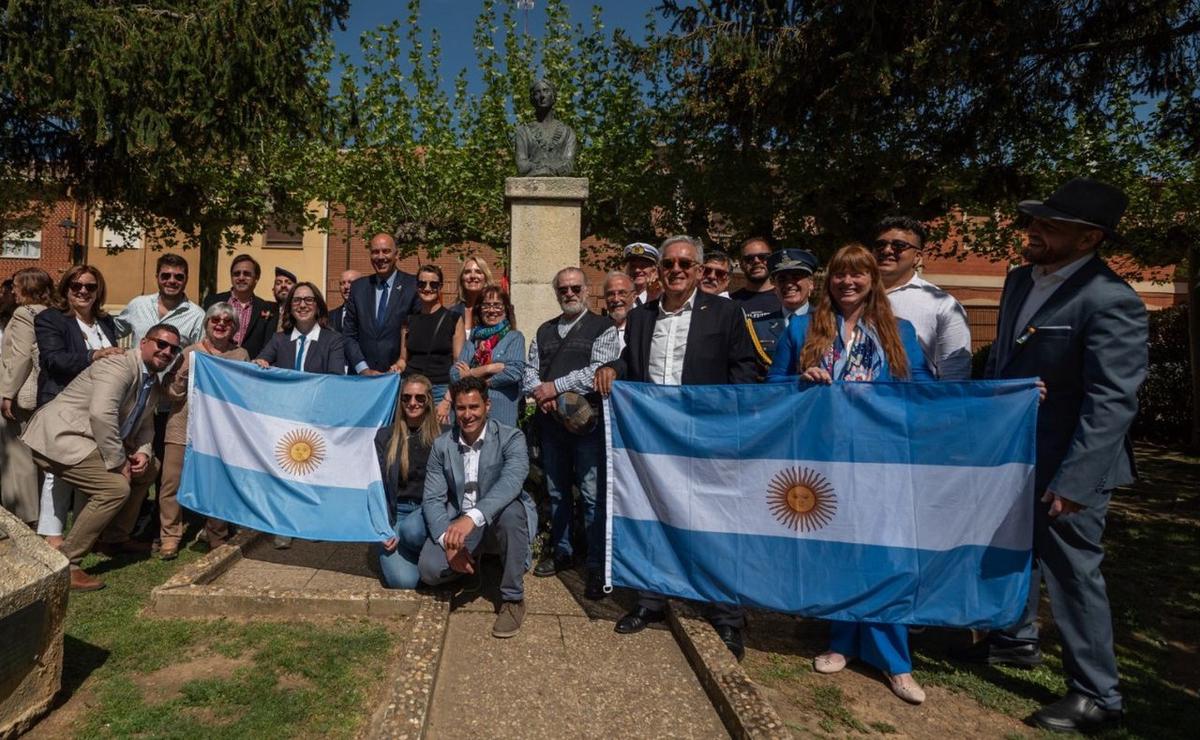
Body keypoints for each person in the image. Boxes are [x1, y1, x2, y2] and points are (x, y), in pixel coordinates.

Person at [953, 178, 1148, 733]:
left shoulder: (1112, 301)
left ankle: (1098, 696)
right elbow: (1001, 368)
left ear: (1088, 238)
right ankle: (1014, 640)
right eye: (1034, 220)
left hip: (1069, 463)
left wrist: (1075, 481)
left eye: (1049, 225)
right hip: (1012, 454)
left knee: (1072, 574)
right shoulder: (1018, 281)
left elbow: (1112, 400)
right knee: (1015, 551)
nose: (1032, 230)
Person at [766, 244, 933, 704]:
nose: (848, 283)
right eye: (840, 275)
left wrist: (1007, 397)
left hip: (883, 462)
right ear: (829, 280)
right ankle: (841, 642)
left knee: (887, 556)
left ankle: (896, 661)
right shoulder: (803, 329)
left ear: (871, 281)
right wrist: (802, 382)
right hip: (827, 461)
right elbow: (773, 388)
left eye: (858, 275)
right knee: (839, 552)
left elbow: (924, 392)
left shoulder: (899, 331)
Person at [595, 235, 758, 660]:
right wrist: (612, 368)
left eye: (686, 263)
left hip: (707, 441)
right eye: (669, 263)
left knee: (715, 524)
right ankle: (651, 600)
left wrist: (727, 428)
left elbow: (744, 373)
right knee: (654, 518)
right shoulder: (643, 316)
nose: (676, 270)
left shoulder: (725, 313)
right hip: (655, 443)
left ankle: (726, 617)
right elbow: (631, 362)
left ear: (701, 270)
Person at [22, 323, 180, 590]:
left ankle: (114, 538)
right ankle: (66, 563)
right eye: (161, 344)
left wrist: (141, 453)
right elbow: (101, 414)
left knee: (150, 468)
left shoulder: (151, 380)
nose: (166, 352)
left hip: (94, 439)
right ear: (144, 342)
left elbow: (145, 426)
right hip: (62, 437)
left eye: (173, 349)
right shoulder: (118, 365)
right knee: (115, 488)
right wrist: (118, 462)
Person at [522, 268, 618, 598]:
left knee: (591, 495)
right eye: (563, 288)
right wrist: (541, 394)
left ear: (587, 290)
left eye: (575, 287)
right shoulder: (545, 330)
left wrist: (554, 388)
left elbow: (597, 372)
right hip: (551, 425)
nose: (569, 293)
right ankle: (561, 551)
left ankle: (595, 564)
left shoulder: (603, 327)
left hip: (587, 425)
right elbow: (529, 372)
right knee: (558, 491)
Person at [418, 376, 533, 639]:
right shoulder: (442, 445)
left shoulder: (510, 437)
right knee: (429, 571)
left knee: (513, 512)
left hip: (493, 520)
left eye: (474, 407)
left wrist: (472, 518)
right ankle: (472, 568)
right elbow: (433, 499)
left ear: (487, 406)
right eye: (461, 408)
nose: (467, 415)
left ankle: (513, 599)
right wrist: (448, 541)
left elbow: (511, 482)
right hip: (459, 523)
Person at [34, 266, 122, 547]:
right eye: (76, 286)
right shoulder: (51, 319)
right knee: (58, 472)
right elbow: (53, 360)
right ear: (66, 289)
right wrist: (95, 355)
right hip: (62, 405)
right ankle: (52, 535)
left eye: (90, 286)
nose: (83, 291)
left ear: (98, 291)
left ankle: (85, 533)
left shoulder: (105, 322)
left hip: (97, 409)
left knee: (92, 472)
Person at [255, 282, 345, 548]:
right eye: (296, 301)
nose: (303, 305)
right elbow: (262, 362)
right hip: (284, 419)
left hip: (318, 419)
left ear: (318, 306)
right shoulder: (279, 340)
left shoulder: (333, 340)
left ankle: (313, 522)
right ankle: (284, 525)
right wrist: (261, 363)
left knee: (314, 472)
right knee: (286, 471)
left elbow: (336, 378)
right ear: (289, 307)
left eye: (308, 300)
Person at [160, 303, 249, 558]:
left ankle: (216, 535)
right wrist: (182, 376)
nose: (220, 324)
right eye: (215, 320)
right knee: (171, 484)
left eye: (227, 321)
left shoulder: (240, 354)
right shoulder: (190, 352)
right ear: (206, 324)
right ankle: (170, 537)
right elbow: (172, 395)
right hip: (183, 427)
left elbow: (244, 393)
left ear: (234, 327)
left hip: (218, 433)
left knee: (216, 484)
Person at [873, 217, 972, 380]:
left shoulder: (942, 304)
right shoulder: (849, 296)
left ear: (917, 257)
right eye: (880, 244)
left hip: (912, 401)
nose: (887, 250)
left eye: (899, 246)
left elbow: (955, 375)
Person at [375, 374, 441, 589]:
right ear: (400, 401)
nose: (413, 403)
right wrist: (382, 527)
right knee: (404, 582)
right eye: (407, 398)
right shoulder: (384, 437)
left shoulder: (444, 437)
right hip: (397, 514)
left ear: (429, 400)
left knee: (414, 531)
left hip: (427, 514)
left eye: (420, 398)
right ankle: (417, 553)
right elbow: (376, 487)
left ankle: (426, 555)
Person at [0, 267, 54, 526]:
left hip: (20, 394)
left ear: (26, 288)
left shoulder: (23, 313)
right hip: (42, 394)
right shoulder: (51, 313)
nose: (13, 291)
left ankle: (22, 516)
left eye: (16, 286)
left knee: (18, 456)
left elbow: (21, 356)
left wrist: (6, 392)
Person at [342, 233, 419, 374]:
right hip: (363, 378)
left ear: (396, 254)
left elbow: (416, 333)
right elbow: (349, 335)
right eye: (375, 252)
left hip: (399, 377)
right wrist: (363, 369)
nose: (381, 257)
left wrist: (400, 364)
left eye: (386, 251)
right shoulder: (358, 288)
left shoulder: (412, 286)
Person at [451, 285, 525, 428]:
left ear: (506, 309)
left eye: (497, 305)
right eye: (486, 305)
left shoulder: (514, 338)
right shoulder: (472, 341)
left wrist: (471, 375)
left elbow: (514, 372)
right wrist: (490, 368)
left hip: (501, 412)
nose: (492, 310)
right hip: (469, 416)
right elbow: (455, 374)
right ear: (479, 309)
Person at [398, 265, 464, 418]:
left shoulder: (453, 319)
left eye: (433, 284)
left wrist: (448, 399)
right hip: (411, 390)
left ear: (440, 287)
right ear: (417, 286)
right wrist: (395, 367)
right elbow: (403, 359)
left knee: (440, 438)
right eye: (422, 284)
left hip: (440, 389)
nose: (427, 288)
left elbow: (458, 364)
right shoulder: (408, 320)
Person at [747, 248, 819, 371]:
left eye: (796, 277)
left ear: (811, 284)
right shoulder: (757, 327)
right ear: (775, 287)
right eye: (782, 279)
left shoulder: (826, 321)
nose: (789, 284)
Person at [114, 253, 205, 345]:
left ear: (186, 280)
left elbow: (202, 353)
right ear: (157, 277)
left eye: (179, 277)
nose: (172, 281)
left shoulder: (197, 316)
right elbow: (112, 332)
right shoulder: (138, 305)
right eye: (166, 276)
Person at [203, 254, 278, 359]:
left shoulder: (267, 308)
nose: (241, 278)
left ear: (256, 278)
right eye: (236, 274)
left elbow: (268, 344)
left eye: (246, 274)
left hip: (248, 369)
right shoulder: (212, 301)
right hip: (215, 364)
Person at [514, 79, 578, 177]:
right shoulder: (523, 132)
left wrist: (546, 169)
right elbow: (521, 166)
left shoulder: (568, 133)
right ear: (532, 99)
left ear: (553, 96)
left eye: (546, 91)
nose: (542, 96)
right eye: (537, 93)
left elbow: (568, 165)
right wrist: (543, 169)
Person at [730, 237, 782, 320]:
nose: (756, 261)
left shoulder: (785, 299)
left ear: (772, 260)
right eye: (749, 259)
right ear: (741, 264)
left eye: (763, 257)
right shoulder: (730, 302)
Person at [450, 255, 494, 333]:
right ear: (461, 279)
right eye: (467, 272)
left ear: (486, 278)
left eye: (478, 272)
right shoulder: (452, 312)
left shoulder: (495, 311)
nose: (473, 276)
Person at [602, 272, 634, 352]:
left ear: (634, 296)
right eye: (610, 294)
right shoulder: (598, 330)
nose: (616, 299)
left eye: (622, 293)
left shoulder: (642, 329)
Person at [622, 242, 661, 306]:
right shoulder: (621, 300)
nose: (637, 270)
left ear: (654, 271)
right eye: (633, 266)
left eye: (643, 266)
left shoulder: (662, 299)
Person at [328, 269, 363, 333]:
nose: (346, 287)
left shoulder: (372, 313)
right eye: (342, 283)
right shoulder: (330, 316)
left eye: (350, 282)